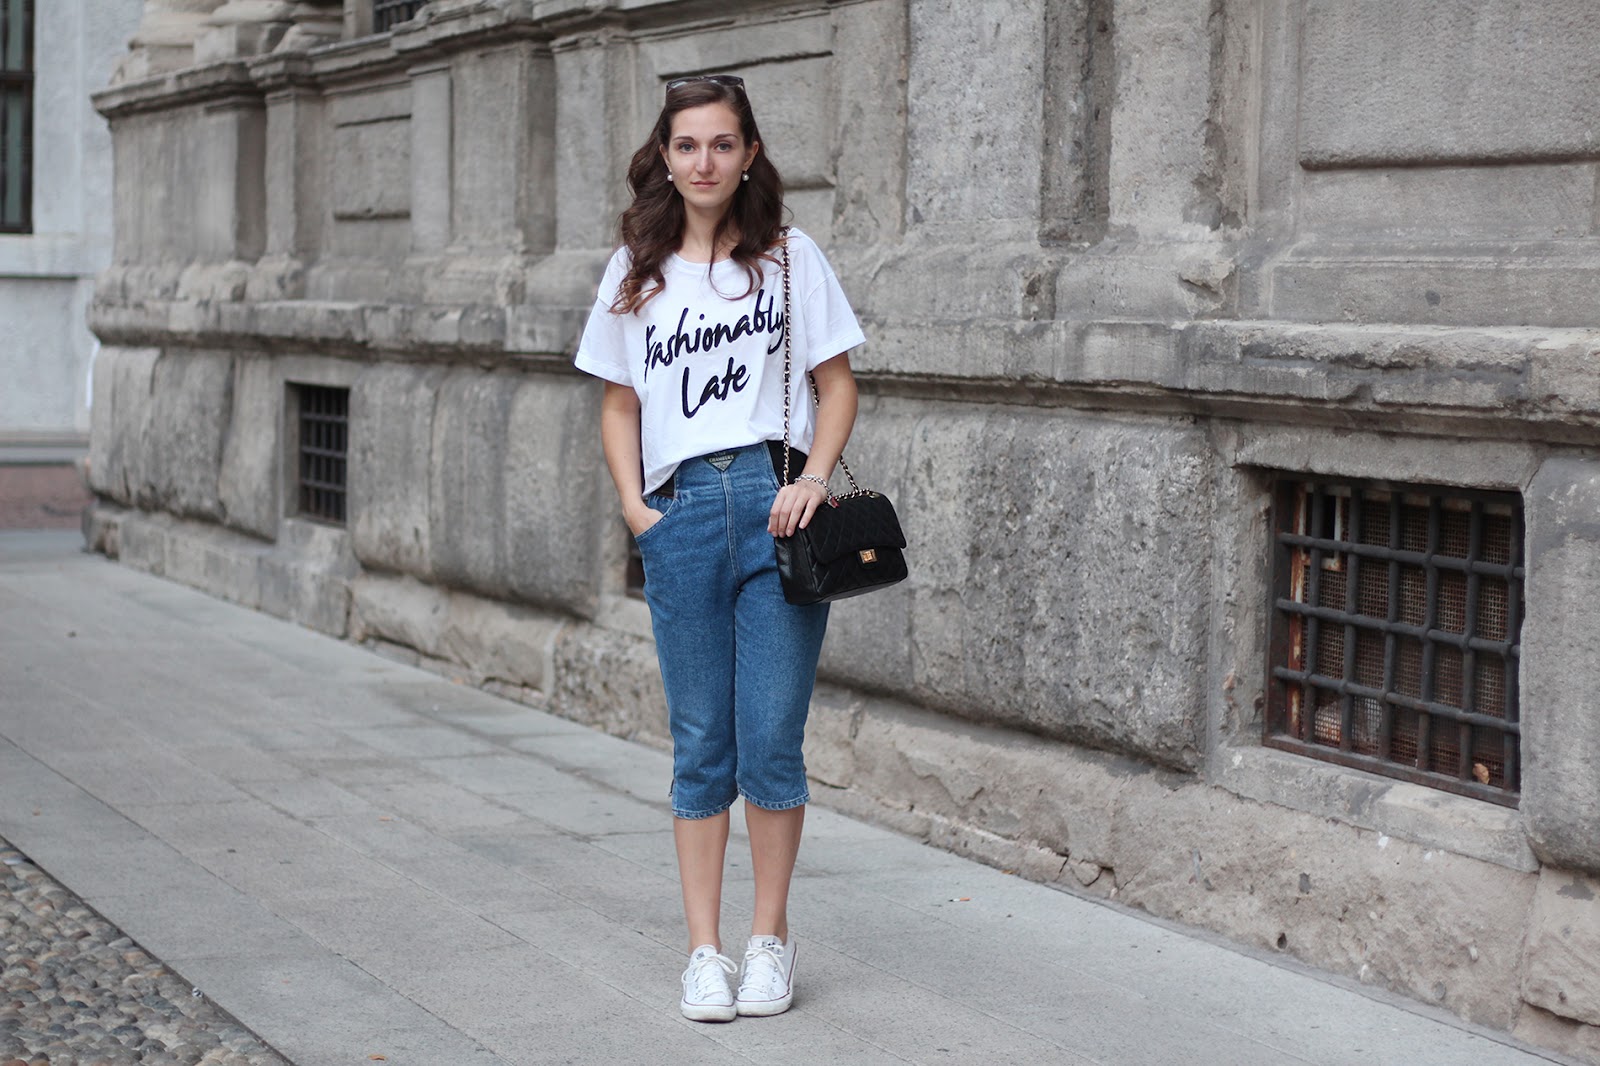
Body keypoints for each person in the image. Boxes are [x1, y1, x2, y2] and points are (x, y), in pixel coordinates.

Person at [572, 74, 865, 1022]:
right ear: (666, 154)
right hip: (684, 512)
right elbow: (619, 403)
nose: (705, 162)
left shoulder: (788, 258)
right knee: (702, 745)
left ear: (749, 155)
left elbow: (838, 384)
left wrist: (814, 476)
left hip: (780, 509)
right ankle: (704, 952)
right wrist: (636, 510)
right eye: (688, 145)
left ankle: (768, 940)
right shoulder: (636, 268)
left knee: (772, 739)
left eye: (723, 144)